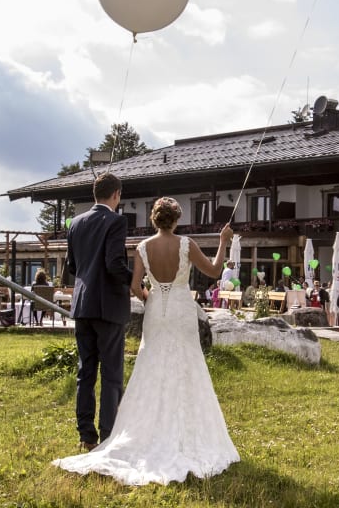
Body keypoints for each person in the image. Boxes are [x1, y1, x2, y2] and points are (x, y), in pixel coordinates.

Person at [54, 197, 239, 485]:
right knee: (187, 365)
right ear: (176, 220)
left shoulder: (142, 248)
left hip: (155, 311)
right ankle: (185, 430)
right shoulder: (186, 244)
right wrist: (223, 241)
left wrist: (147, 296)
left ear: (154, 219)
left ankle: (141, 430)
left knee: (151, 364)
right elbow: (215, 271)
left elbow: (134, 284)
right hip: (180, 309)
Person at [64, 172, 132, 452]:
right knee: (112, 373)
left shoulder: (76, 223)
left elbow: (71, 266)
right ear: (116, 195)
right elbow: (115, 263)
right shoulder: (116, 221)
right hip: (108, 307)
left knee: (86, 373)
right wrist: (135, 283)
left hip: (82, 305)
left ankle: (86, 435)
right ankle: (108, 434)